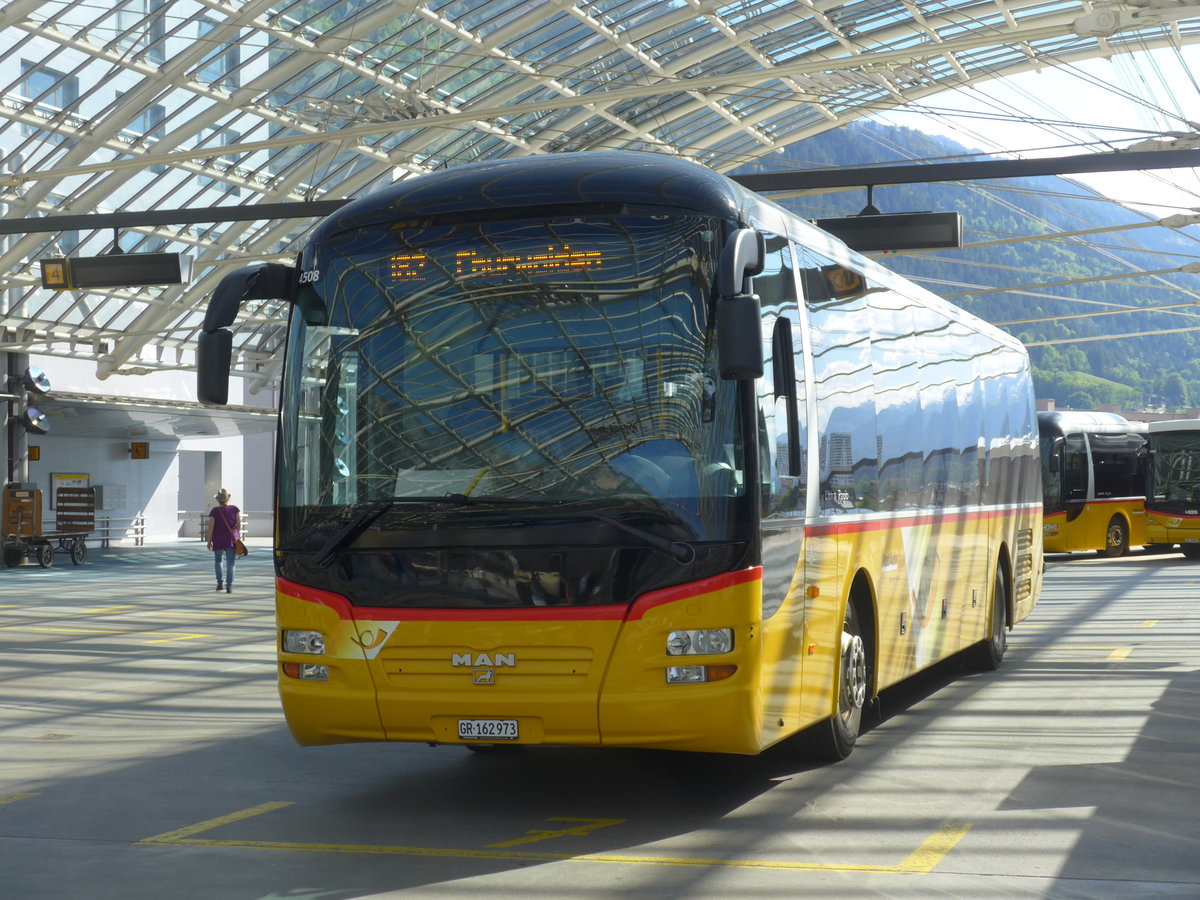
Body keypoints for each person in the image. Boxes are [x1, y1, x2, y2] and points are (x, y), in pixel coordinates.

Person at [206, 488, 241, 593]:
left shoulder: (214, 511)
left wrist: (209, 541)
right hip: (231, 540)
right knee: (231, 563)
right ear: (227, 499)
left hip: (218, 540)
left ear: (218, 500)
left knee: (218, 561)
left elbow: (211, 527)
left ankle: (219, 584)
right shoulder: (235, 509)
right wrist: (236, 535)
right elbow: (239, 525)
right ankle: (229, 586)